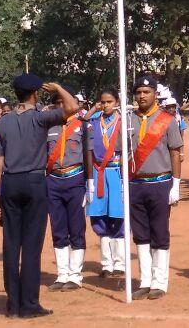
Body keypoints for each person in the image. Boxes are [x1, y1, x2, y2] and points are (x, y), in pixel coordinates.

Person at [0, 75, 78, 319]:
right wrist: (60, 87)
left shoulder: (3, 122)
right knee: (31, 246)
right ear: (35, 94)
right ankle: (29, 304)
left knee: (10, 244)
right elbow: (73, 108)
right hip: (35, 181)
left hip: (10, 182)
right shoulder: (40, 117)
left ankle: (13, 304)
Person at [127, 74, 183, 300]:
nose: (142, 96)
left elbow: (175, 152)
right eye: (139, 92)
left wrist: (176, 185)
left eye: (146, 92)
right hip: (135, 183)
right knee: (140, 234)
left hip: (160, 182)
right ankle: (145, 280)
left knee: (159, 233)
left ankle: (159, 281)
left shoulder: (167, 120)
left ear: (155, 94)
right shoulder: (128, 120)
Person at [45, 85, 87, 292]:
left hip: (75, 179)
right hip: (53, 180)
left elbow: (88, 156)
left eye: (64, 102)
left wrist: (89, 183)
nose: (61, 106)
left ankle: (75, 275)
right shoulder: (48, 127)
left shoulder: (83, 125)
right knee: (58, 228)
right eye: (57, 103)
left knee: (76, 228)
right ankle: (62, 274)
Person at [85, 88, 127, 280]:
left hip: (116, 172)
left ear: (117, 102)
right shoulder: (94, 123)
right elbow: (81, 122)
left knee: (118, 217)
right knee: (99, 217)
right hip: (98, 173)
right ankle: (106, 264)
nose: (105, 105)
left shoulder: (124, 122)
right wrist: (93, 110)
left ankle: (120, 263)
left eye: (109, 102)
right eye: (102, 102)